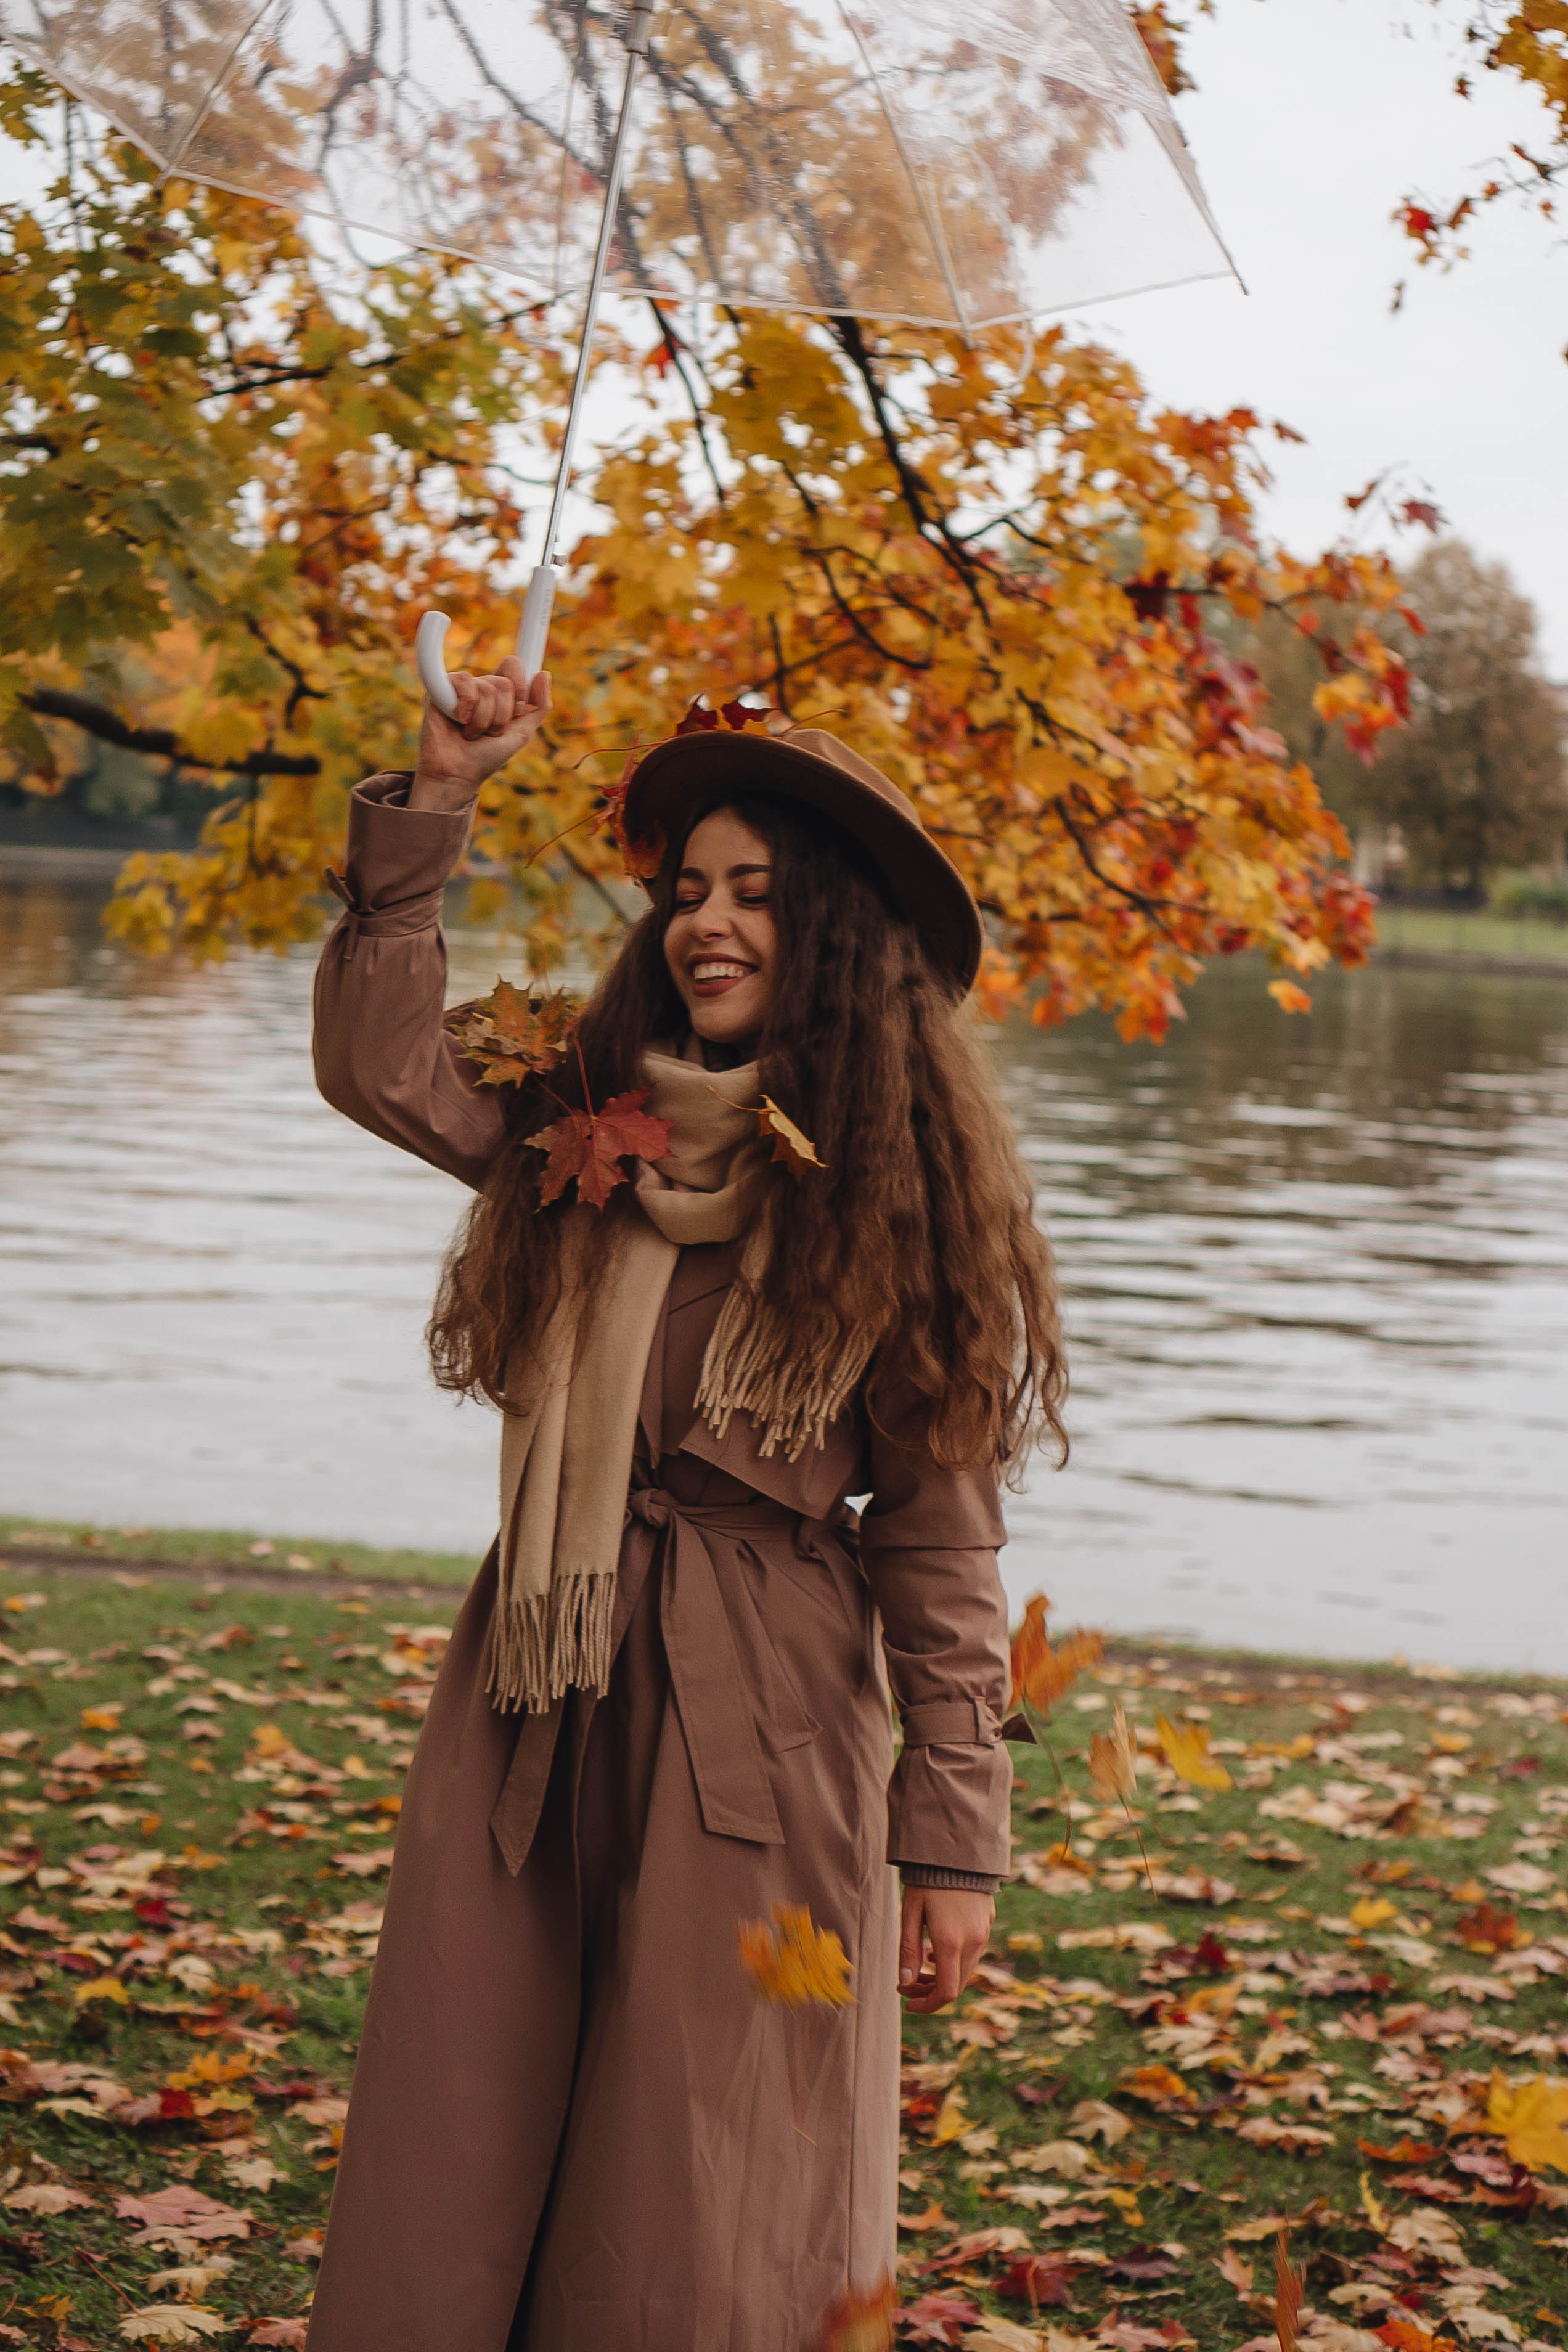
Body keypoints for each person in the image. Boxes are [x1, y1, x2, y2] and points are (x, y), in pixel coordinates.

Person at [304, 656, 1066, 2352]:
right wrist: (441, 796)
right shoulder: (585, 1119)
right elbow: (379, 1061)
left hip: (763, 1733)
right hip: (534, 1684)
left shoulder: (899, 1196)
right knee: (466, 2115)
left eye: (757, 895)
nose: (708, 923)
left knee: (708, 2181)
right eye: (688, 891)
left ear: (840, 933)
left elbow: (940, 1542)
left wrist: (952, 1830)